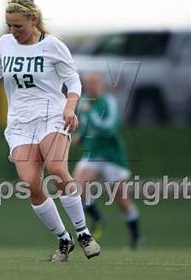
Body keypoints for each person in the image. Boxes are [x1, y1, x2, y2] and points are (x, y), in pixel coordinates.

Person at [0, 0, 100, 262]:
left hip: (52, 117)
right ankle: (63, 240)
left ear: (33, 20)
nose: (13, 31)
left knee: (56, 169)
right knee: (31, 183)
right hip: (20, 123)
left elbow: (73, 81)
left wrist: (70, 107)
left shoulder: (53, 45)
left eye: (18, 25)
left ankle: (84, 232)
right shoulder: (6, 43)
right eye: (9, 25)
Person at [73, 72, 141, 249]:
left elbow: (109, 129)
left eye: (94, 82)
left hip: (112, 156)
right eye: (88, 83)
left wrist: (92, 114)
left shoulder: (108, 102)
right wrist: (76, 137)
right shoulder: (84, 103)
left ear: (101, 84)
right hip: (92, 154)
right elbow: (84, 128)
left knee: (121, 200)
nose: (90, 86)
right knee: (76, 186)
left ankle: (136, 238)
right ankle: (97, 219)